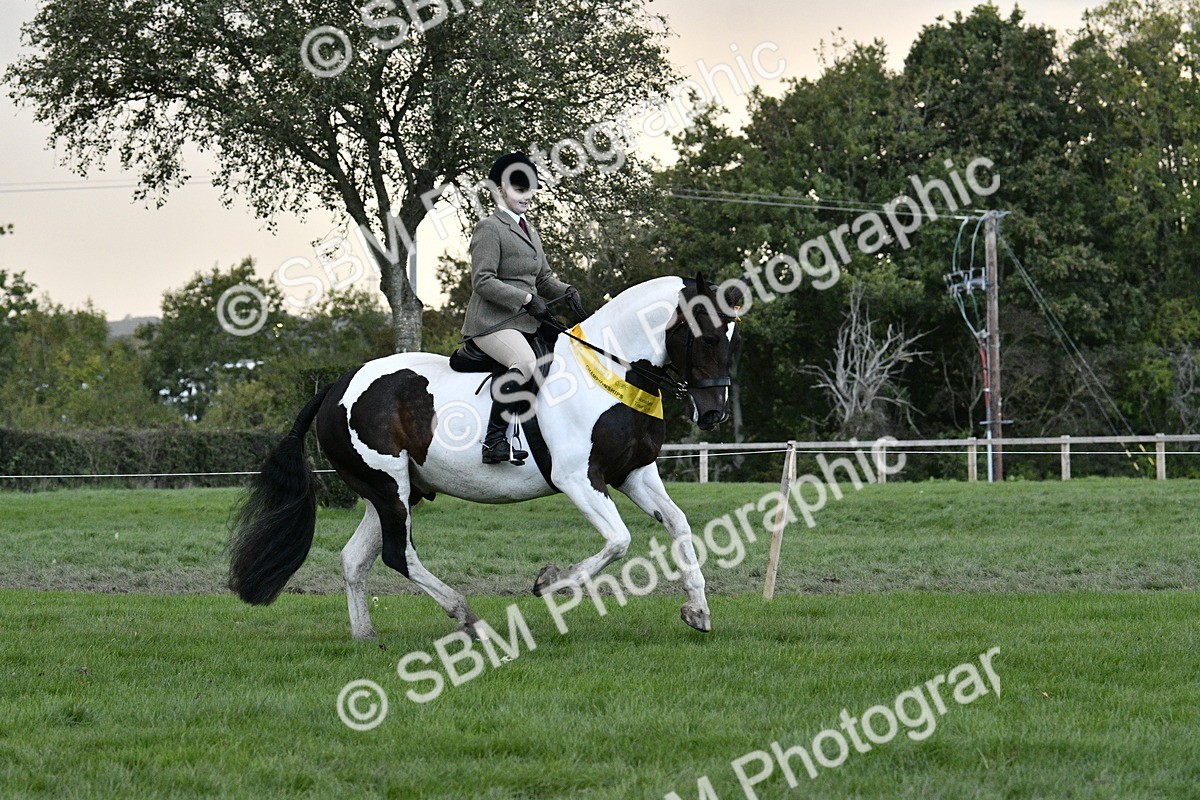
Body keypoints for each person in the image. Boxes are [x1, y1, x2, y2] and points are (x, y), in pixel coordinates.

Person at [462, 152, 586, 465]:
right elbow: (483, 281)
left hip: (524, 322)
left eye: (530, 188)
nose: (528, 195)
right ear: (500, 191)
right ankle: (493, 442)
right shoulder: (489, 228)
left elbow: (543, 278)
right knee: (524, 361)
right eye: (520, 188)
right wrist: (527, 300)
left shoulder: (529, 230)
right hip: (492, 324)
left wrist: (566, 291)